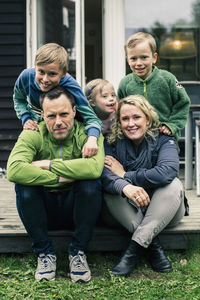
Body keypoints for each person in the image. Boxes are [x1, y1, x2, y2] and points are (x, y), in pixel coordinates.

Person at [7, 86, 105, 283]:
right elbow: (14, 169)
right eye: (51, 116)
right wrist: (61, 177)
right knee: (23, 186)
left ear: (75, 112)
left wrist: (48, 164)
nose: (58, 122)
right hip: (43, 210)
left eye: (64, 114)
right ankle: (44, 253)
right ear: (42, 115)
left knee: (90, 184)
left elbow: (94, 169)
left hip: (76, 209)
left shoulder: (88, 135)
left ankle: (78, 251)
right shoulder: (33, 133)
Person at [101, 95, 185, 276]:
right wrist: (125, 186)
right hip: (125, 212)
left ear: (147, 119)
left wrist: (125, 175)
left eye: (136, 117)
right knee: (112, 190)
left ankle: (132, 253)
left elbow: (168, 171)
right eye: (125, 119)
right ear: (119, 122)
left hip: (165, 211)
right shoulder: (111, 142)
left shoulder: (163, 139)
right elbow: (105, 174)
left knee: (174, 184)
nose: (131, 123)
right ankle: (153, 246)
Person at [13, 43, 102, 158]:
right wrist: (26, 118)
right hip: (37, 125)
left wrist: (92, 139)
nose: (45, 79)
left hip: (66, 132)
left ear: (63, 74)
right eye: (41, 72)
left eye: (52, 74)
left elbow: (91, 118)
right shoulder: (26, 77)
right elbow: (18, 99)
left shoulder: (71, 86)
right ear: (35, 66)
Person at [117, 32, 190, 141]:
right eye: (133, 59)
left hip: (164, 136)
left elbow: (182, 103)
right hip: (135, 140)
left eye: (144, 57)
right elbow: (119, 111)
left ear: (154, 57)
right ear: (128, 60)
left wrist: (172, 125)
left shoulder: (167, 79)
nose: (138, 63)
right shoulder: (125, 84)